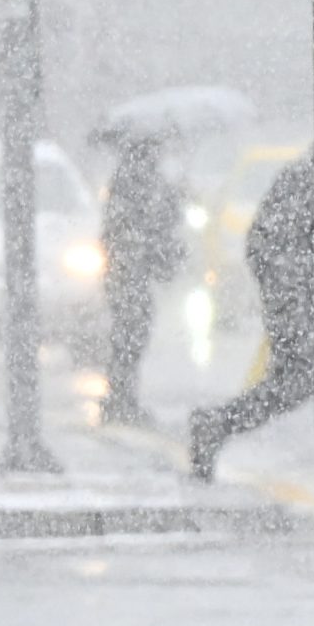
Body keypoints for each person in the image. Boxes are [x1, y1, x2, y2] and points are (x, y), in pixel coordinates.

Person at [189, 139, 314, 481]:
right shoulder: (302, 183)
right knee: (297, 384)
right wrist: (293, 295)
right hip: (305, 310)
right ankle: (216, 425)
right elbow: (263, 245)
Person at [97, 136, 186, 427]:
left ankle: (122, 397)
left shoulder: (142, 181)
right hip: (127, 274)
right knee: (130, 335)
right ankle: (119, 399)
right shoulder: (132, 182)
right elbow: (139, 228)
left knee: (132, 335)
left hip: (131, 273)